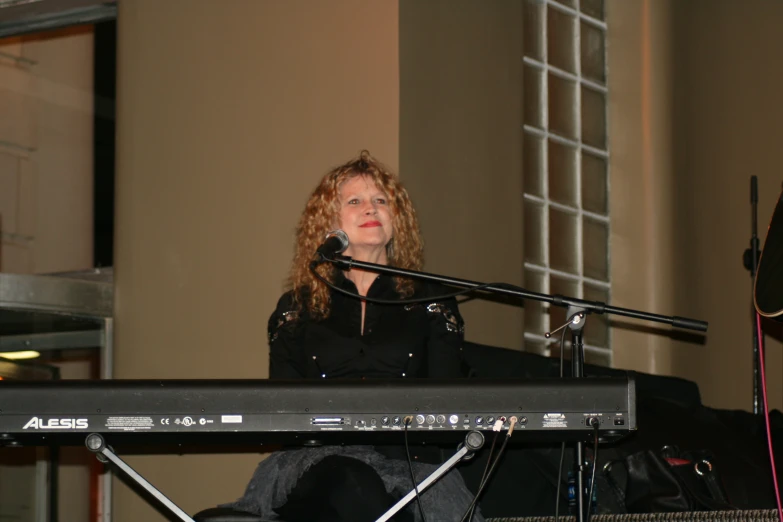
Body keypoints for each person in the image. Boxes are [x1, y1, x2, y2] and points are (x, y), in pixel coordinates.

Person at [228, 151, 483, 522]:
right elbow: (281, 408)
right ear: (329, 222)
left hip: (410, 470)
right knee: (350, 482)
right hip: (320, 465)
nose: (371, 209)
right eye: (355, 201)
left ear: (398, 220)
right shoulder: (296, 307)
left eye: (381, 201)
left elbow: (447, 404)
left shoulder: (432, 300)